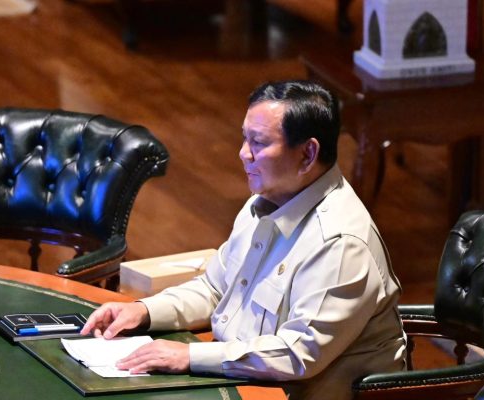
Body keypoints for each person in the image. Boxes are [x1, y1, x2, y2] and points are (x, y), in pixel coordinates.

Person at [81, 80, 407, 399]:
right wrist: (144, 312)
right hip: (244, 382)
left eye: (259, 143)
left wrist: (188, 356)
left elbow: (297, 354)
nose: (243, 154)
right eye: (244, 138)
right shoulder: (265, 201)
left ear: (307, 154)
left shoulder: (340, 243)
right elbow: (216, 288)